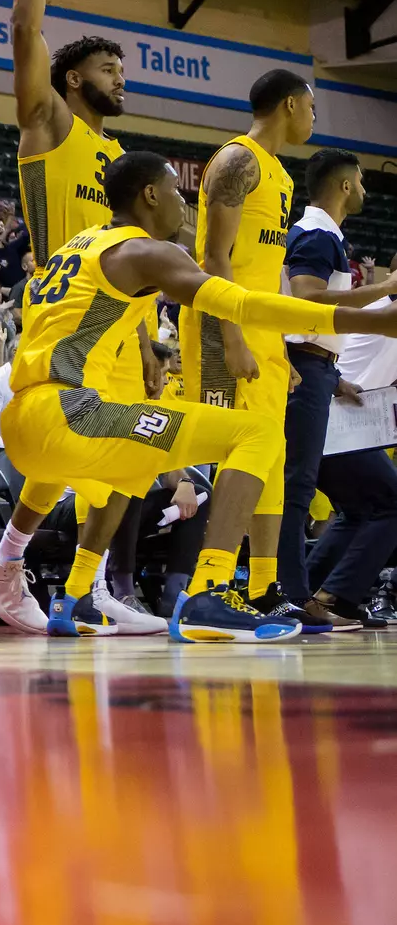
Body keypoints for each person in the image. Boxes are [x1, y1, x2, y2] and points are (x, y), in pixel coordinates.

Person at [0, 151, 397, 643]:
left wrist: (149, 351)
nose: (184, 204)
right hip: (67, 414)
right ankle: (207, 593)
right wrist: (370, 318)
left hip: (26, 422)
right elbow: (240, 303)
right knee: (257, 431)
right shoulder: (150, 252)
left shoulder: (78, 247)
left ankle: (69, 597)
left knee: (131, 464)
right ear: (151, 195)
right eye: (177, 192)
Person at [11, 0, 156, 402]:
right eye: (106, 70)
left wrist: (145, 345)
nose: (119, 79)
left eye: (121, 72)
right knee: (60, 465)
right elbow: (25, 28)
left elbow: (131, 256)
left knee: (124, 473)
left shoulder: (122, 158)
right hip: (63, 308)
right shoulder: (50, 123)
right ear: (73, 79)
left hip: (119, 322)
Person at [178, 67, 316, 620]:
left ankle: (262, 587)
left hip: (263, 329)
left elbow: (266, 269)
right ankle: (208, 585)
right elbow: (214, 258)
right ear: (288, 105)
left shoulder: (281, 176)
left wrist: (276, 344)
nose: (313, 118)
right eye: (310, 107)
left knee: (271, 460)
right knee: (238, 450)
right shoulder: (238, 161)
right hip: (221, 324)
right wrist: (233, 339)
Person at [277, 148, 397, 629]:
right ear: (346, 185)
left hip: (323, 376)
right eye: (363, 181)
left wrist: (338, 378)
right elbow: (305, 301)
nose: (367, 191)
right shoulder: (319, 233)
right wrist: (381, 288)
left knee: (351, 505)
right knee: (299, 494)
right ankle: (300, 596)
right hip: (310, 374)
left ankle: (316, 592)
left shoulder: (325, 236)